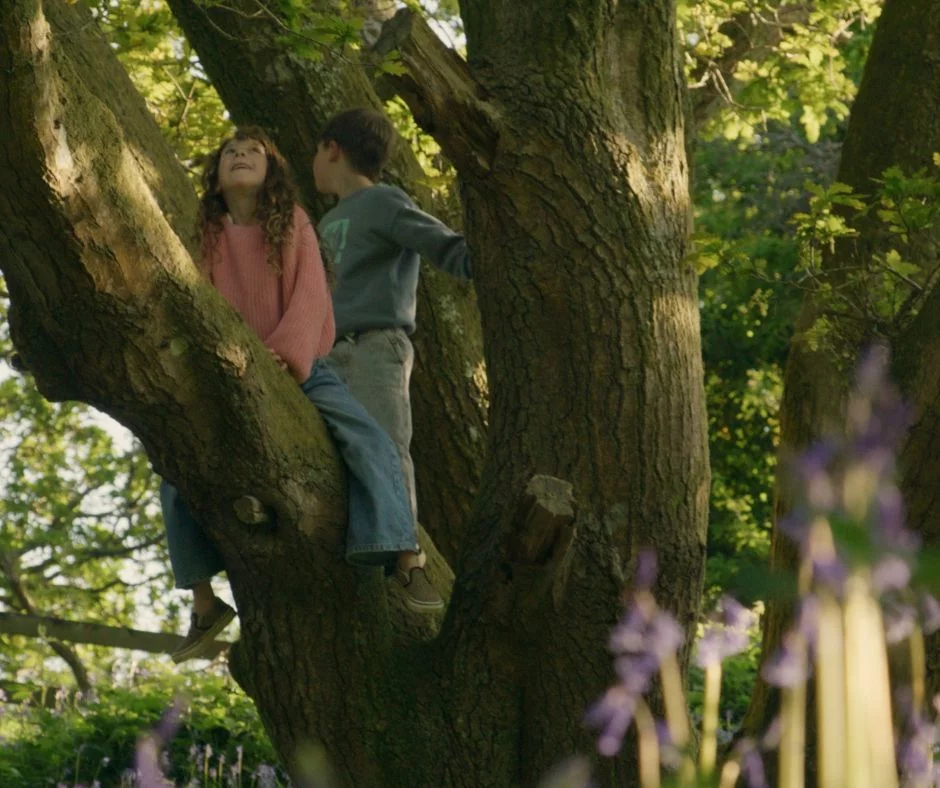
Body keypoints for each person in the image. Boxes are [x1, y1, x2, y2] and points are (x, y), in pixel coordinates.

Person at [163, 126, 439, 665]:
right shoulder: (207, 237)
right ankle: (202, 603)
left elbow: (311, 299)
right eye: (230, 153)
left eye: (253, 153)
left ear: (272, 173)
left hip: (303, 367)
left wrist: (284, 357)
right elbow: (196, 305)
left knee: (369, 440)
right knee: (173, 461)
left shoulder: (292, 225)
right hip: (230, 370)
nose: (240, 157)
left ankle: (407, 558)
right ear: (216, 177)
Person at [313, 108, 471, 602]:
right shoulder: (326, 220)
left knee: (385, 440)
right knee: (340, 451)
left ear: (332, 149)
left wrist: (485, 251)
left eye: (315, 153)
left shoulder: (383, 202)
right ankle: (360, 543)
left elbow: (446, 248)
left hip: (376, 345)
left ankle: (407, 558)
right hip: (326, 354)